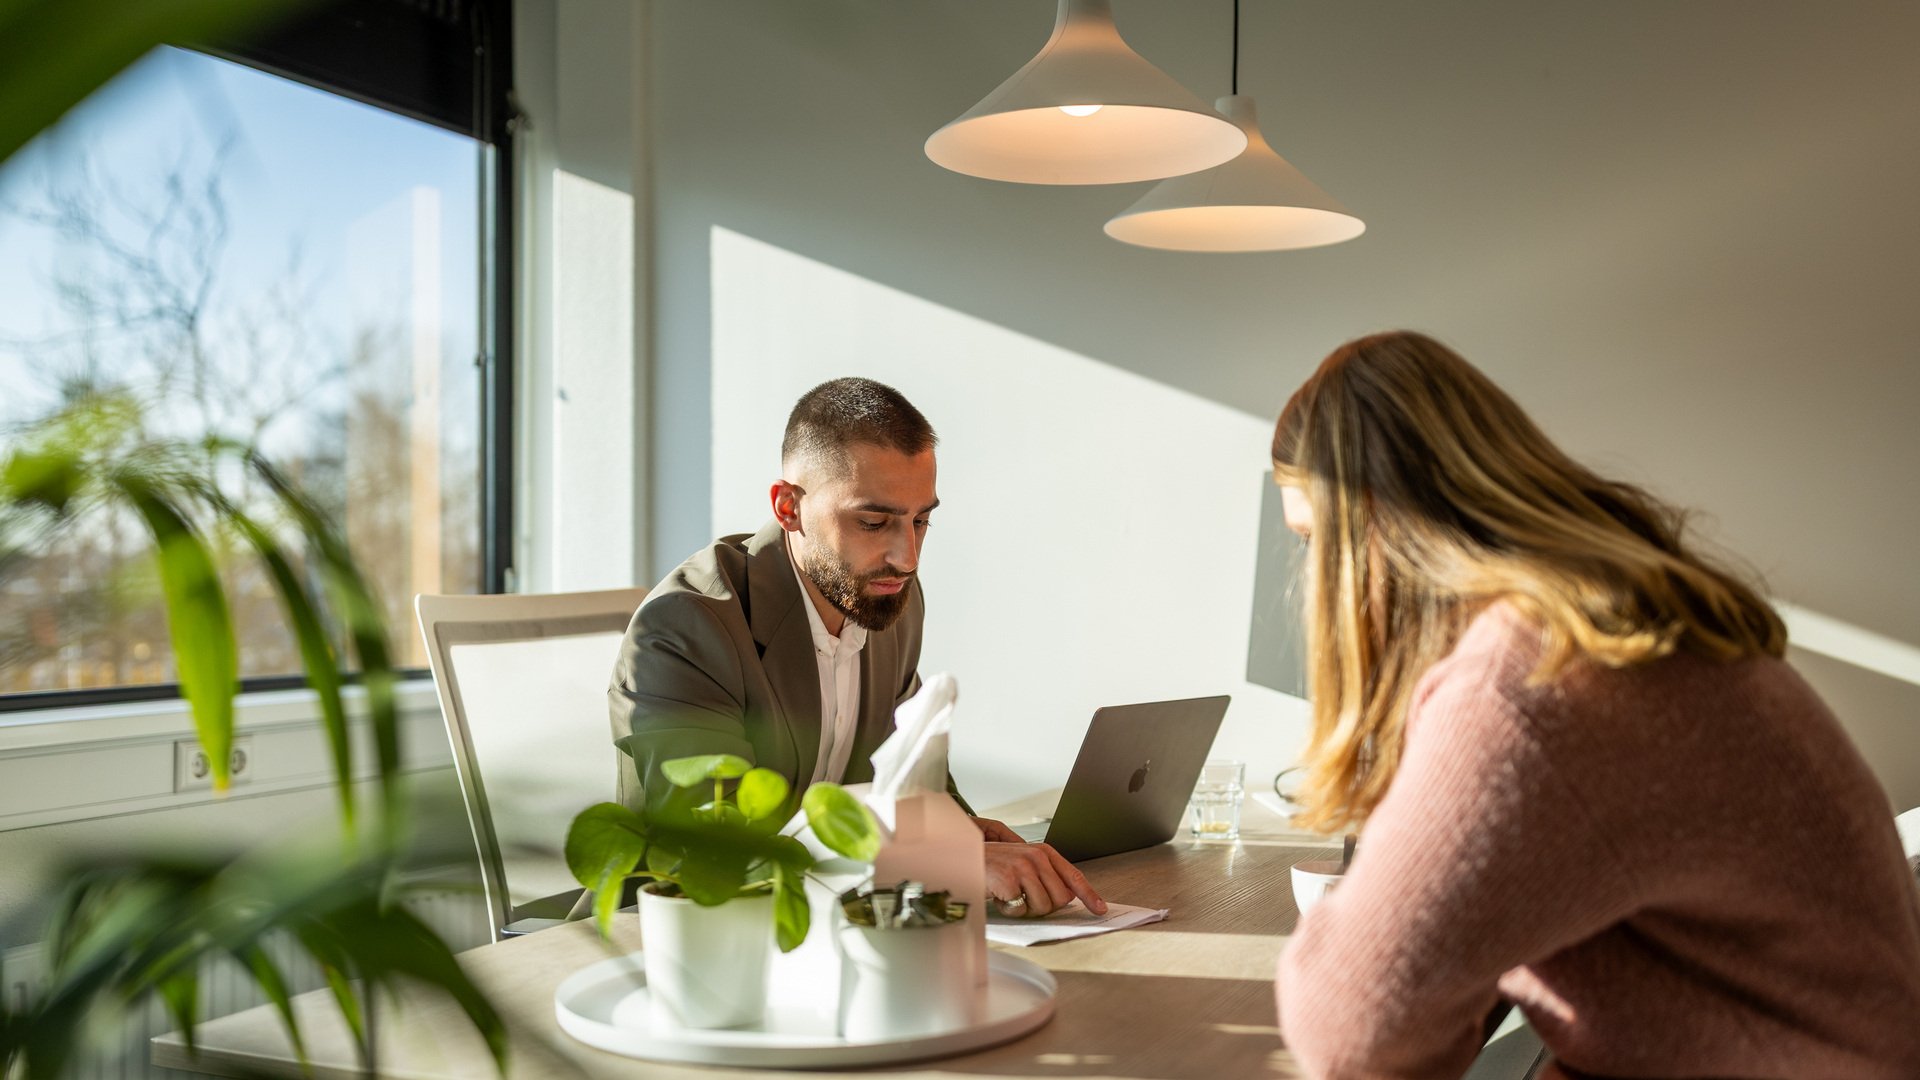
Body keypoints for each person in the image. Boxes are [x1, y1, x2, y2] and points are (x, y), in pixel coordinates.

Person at [1268, 332, 1920, 1077]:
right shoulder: (1615, 625)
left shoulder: (1532, 678)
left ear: (1378, 528)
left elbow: (1349, 1030)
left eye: (1315, 538)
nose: (1314, 578)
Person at [610, 376, 1105, 919]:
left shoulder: (891, 600)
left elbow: (911, 773)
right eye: (874, 522)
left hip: (837, 927)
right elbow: (715, 851)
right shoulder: (686, 628)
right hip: (684, 937)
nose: (908, 556)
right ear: (788, 507)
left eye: (921, 521)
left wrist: (969, 836)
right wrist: (935, 859)